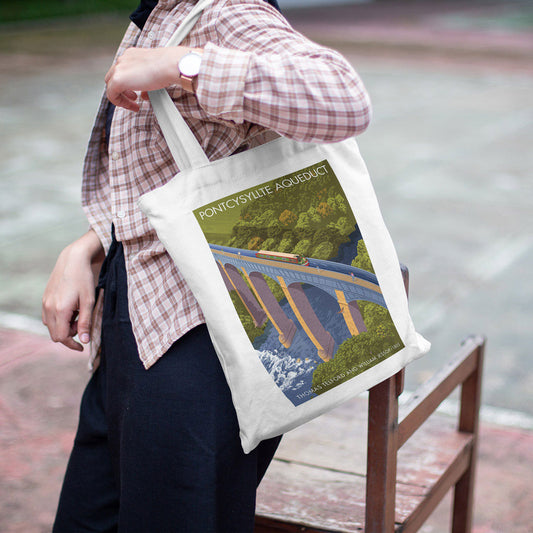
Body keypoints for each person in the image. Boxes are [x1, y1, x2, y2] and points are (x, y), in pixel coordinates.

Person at [42, 0, 371, 531]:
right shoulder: (155, 14)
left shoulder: (226, 12)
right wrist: (85, 248)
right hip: (134, 320)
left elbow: (343, 96)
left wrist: (184, 66)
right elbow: (154, 182)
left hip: (199, 340)